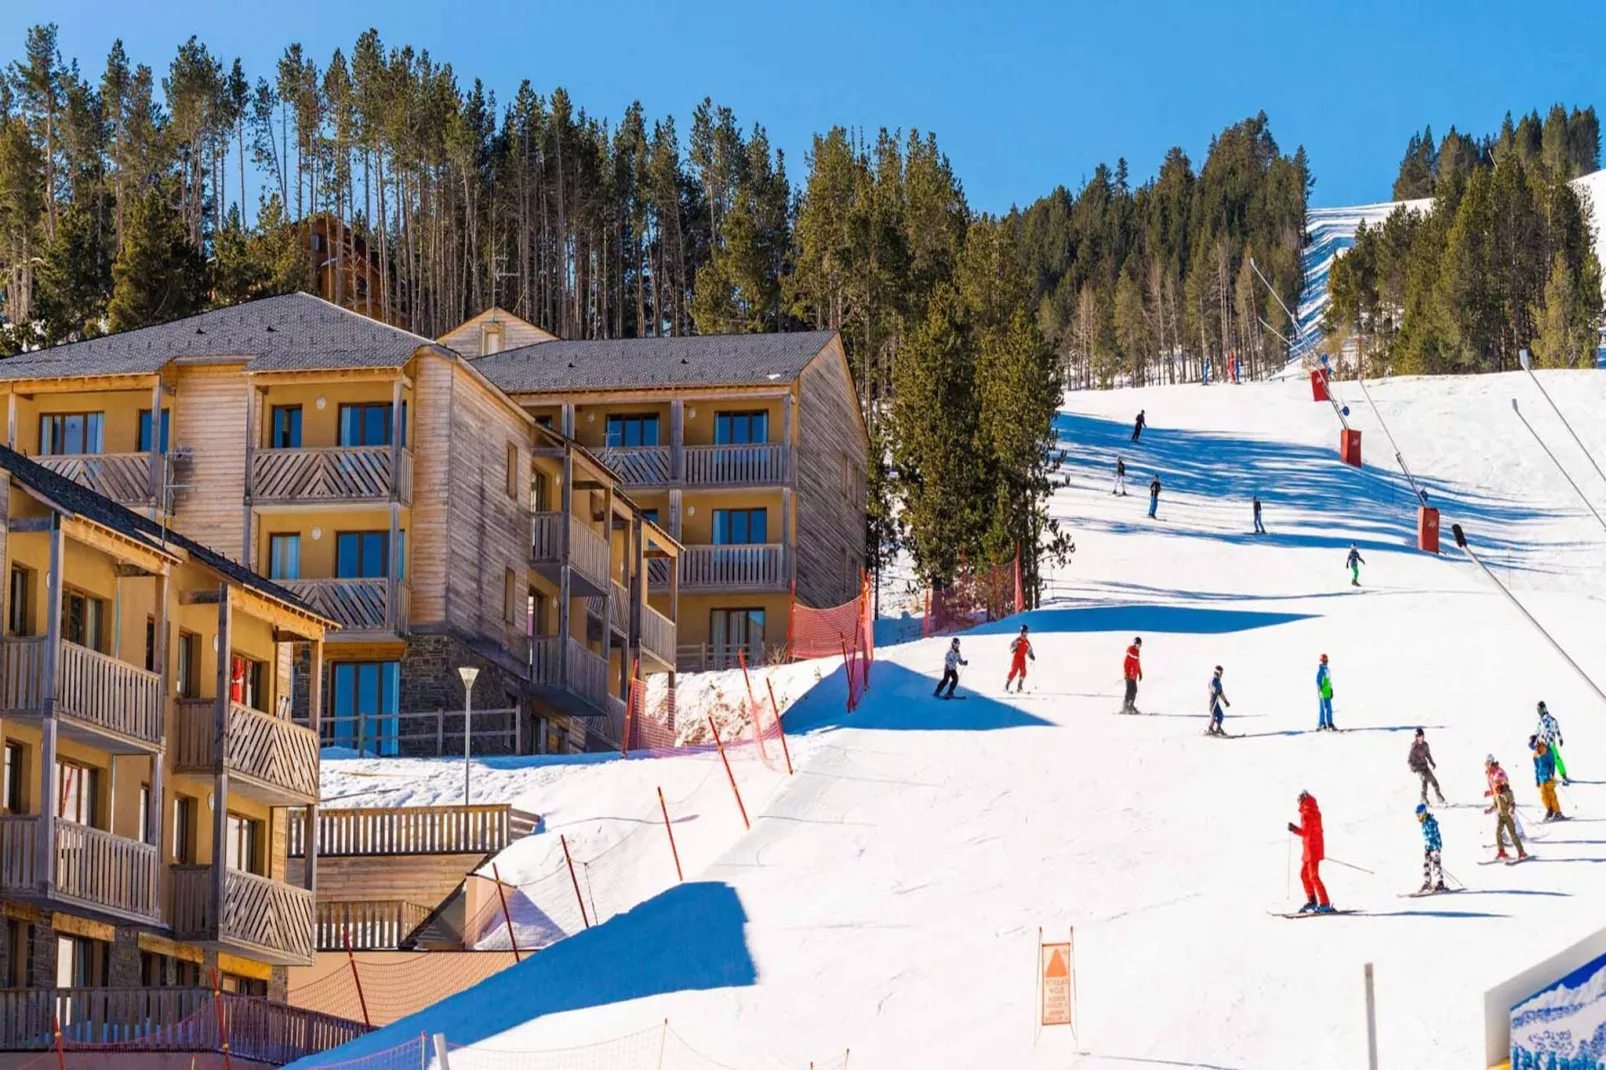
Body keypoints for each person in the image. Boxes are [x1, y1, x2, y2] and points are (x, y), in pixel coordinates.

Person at [1288, 791, 1333, 913]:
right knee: (1304, 875)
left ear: (1303, 800)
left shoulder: (1307, 813)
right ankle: (1312, 901)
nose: (1298, 802)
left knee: (1313, 876)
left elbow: (1305, 833)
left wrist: (1294, 829)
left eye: (1299, 800)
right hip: (1310, 849)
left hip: (1312, 850)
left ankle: (1325, 903)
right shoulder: (1313, 811)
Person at [1484, 755, 1527, 862]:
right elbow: (1495, 803)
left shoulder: (1505, 789)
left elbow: (1511, 802)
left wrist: (1511, 808)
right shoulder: (1496, 791)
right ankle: (1501, 851)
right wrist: (1490, 809)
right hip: (1500, 814)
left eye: (1498, 783)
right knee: (1498, 832)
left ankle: (1521, 851)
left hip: (1507, 814)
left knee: (1513, 833)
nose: (1496, 785)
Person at [1408, 728, 1446, 805]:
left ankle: (1438, 796)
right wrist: (1413, 768)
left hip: (1425, 766)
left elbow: (1428, 755)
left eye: (1422, 737)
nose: (1420, 739)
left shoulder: (1425, 745)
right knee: (1424, 780)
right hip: (1418, 768)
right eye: (1418, 737)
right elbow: (1409, 760)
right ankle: (1423, 798)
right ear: (1416, 737)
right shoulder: (1414, 747)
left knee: (1433, 781)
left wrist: (1432, 763)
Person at [1531, 735, 1565, 821]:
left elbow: (1552, 763)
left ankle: (1557, 812)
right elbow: (1536, 768)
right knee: (1544, 796)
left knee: (1551, 794)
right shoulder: (1535, 754)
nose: (1534, 749)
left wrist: (1552, 773)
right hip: (1541, 777)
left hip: (1548, 776)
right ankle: (1549, 810)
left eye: (1534, 746)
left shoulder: (1547, 750)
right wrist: (1537, 780)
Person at [1535, 701, 1569, 785]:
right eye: (1538, 710)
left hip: (1550, 743)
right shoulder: (1541, 720)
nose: (1539, 712)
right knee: (1546, 761)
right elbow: (1537, 731)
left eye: (1539, 710)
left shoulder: (1549, 719)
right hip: (1543, 744)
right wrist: (1535, 740)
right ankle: (1549, 777)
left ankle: (1563, 775)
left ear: (1543, 709)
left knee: (1556, 759)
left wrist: (1560, 737)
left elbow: (1556, 728)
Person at [1416, 804, 1445, 893]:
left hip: (1435, 848)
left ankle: (1439, 883)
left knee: (1436, 865)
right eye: (1418, 816)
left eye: (1420, 816)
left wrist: (1434, 848)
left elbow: (1435, 837)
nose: (1419, 818)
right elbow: (1427, 838)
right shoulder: (1424, 823)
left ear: (1424, 814)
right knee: (1426, 865)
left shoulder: (1431, 823)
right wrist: (1427, 848)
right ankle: (1427, 882)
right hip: (1428, 848)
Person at [1005, 625, 1035, 694]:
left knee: (1023, 672)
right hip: (1016, 657)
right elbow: (1011, 646)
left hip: (1022, 658)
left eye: (1026, 633)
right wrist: (1013, 649)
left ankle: (1019, 687)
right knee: (1014, 671)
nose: (1025, 635)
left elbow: (1029, 650)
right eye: (1024, 633)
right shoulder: (1017, 640)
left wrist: (1031, 655)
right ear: (1021, 633)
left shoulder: (1027, 642)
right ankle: (1006, 686)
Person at [1206, 665, 1230, 735]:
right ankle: (1213, 728)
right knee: (1217, 715)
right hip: (1213, 701)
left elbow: (1221, 693)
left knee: (1219, 715)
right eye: (1221, 673)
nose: (1221, 675)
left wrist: (1225, 701)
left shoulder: (1218, 681)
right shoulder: (1213, 680)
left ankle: (1214, 728)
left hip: (1215, 701)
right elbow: (1212, 688)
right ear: (1217, 673)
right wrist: (1216, 691)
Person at [1122, 637, 1143, 714]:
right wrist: (1126, 673)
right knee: (1129, 690)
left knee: (1134, 690)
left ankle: (1131, 705)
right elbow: (1125, 664)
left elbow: (1137, 664)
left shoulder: (1137, 652)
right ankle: (1125, 706)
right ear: (1134, 644)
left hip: (1133, 676)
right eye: (1138, 644)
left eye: (1140, 645)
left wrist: (1140, 672)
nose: (1139, 646)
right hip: (1129, 675)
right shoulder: (1130, 651)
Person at [1315, 654, 1335, 731]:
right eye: (1324, 661)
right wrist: (1320, 689)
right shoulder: (1321, 671)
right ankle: (1322, 723)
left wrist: (1331, 690)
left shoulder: (1328, 670)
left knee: (1329, 709)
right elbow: (1318, 681)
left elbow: (1329, 681)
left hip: (1327, 693)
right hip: (1322, 693)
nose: (1325, 662)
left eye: (1326, 661)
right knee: (1322, 709)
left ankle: (1330, 723)